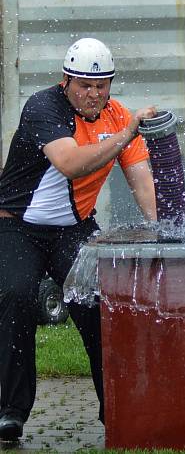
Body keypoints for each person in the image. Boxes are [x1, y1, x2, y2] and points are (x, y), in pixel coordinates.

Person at [0, 38, 157, 441]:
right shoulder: (42, 107)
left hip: (73, 228)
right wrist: (125, 134)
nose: (93, 95)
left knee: (98, 304)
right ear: (66, 82)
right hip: (18, 226)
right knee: (16, 296)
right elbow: (70, 164)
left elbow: (140, 180)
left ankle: (117, 412)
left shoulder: (117, 116)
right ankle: (12, 412)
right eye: (84, 86)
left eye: (102, 85)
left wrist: (158, 230)